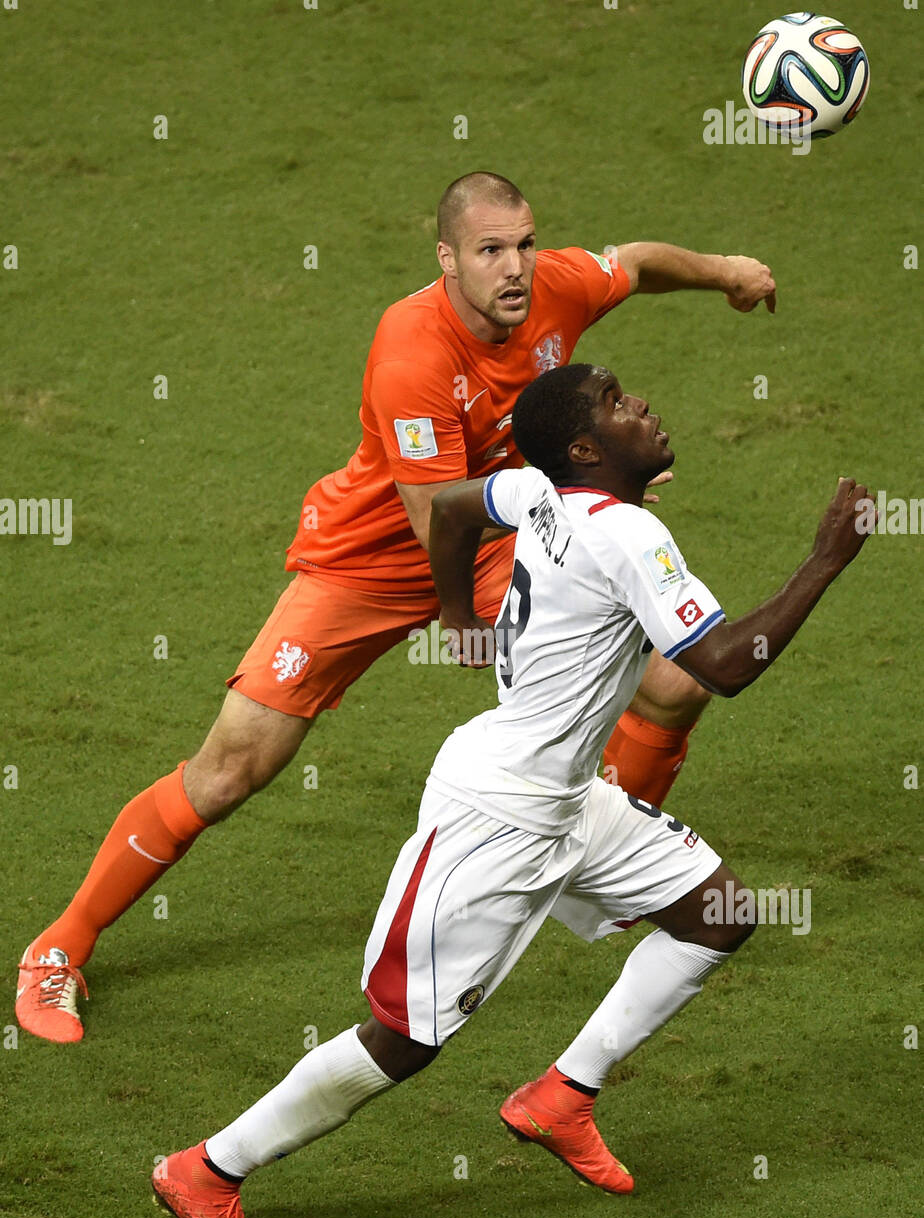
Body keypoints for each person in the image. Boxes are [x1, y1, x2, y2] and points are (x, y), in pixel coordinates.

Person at [16, 171, 776, 1044]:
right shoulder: (413, 348)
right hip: (379, 556)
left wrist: (725, 270)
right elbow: (434, 519)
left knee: (676, 687)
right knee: (231, 767)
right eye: (491, 251)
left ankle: (586, 854)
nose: (516, 268)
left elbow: (634, 265)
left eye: (524, 244)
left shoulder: (554, 287)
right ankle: (59, 948)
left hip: (503, 537)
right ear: (447, 258)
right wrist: (593, 483)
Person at [150, 362, 870, 1218]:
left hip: (569, 798)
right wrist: (825, 559)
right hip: (496, 818)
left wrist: (458, 617)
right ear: (584, 450)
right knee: (404, 1040)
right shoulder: (627, 535)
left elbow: (452, 510)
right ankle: (210, 1168)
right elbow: (725, 663)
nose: (642, 403)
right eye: (617, 403)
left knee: (717, 913)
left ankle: (564, 1095)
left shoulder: (534, 487)